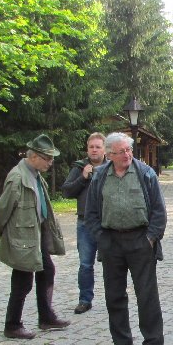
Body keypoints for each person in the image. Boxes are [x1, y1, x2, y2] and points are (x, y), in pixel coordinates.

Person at [85, 133, 167, 345]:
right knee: (114, 295)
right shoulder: (100, 176)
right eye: (121, 151)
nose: (127, 155)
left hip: (140, 240)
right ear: (109, 154)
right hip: (111, 241)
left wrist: (150, 238)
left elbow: (159, 211)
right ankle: (122, 343)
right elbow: (91, 213)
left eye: (129, 150)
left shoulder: (146, 173)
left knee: (147, 296)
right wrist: (101, 238)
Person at [0, 134, 70, 340]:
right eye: (48, 158)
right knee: (22, 280)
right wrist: (5, 234)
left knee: (47, 270)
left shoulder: (35, 175)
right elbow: (1, 210)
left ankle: (46, 317)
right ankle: (12, 324)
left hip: (37, 233)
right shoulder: (18, 177)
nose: (51, 162)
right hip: (23, 236)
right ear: (34, 156)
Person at [62, 132, 107, 314]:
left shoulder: (111, 167)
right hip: (85, 223)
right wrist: (83, 177)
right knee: (85, 264)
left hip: (107, 224)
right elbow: (66, 191)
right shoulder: (80, 167)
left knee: (112, 263)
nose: (94, 150)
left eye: (98, 147)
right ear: (87, 149)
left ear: (104, 149)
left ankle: (114, 298)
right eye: (91, 147)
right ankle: (85, 299)